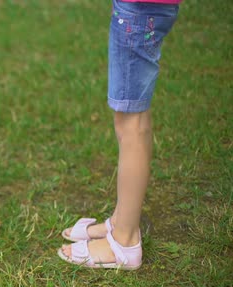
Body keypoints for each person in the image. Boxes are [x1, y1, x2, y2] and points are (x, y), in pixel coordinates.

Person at [57, 0, 181, 270]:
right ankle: (122, 221)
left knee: (131, 123)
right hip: (143, 10)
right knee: (136, 116)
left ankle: (124, 241)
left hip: (139, 10)